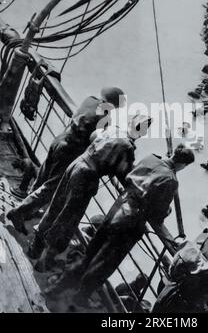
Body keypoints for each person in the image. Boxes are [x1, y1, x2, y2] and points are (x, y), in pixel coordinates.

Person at [45, 145, 195, 305]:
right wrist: (167, 210)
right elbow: (158, 214)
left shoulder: (151, 157)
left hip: (117, 207)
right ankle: (81, 297)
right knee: (104, 265)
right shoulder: (171, 180)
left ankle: (56, 288)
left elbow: (130, 175)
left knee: (89, 254)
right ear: (183, 165)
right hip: (130, 224)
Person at [30, 115, 153, 270]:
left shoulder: (114, 129)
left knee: (56, 206)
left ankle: (34, 249)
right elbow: (127, 175)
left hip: (76, 164)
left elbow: (93, 136)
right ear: (142, 132)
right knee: (68, 219)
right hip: (86, 177)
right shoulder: (127, 147)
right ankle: (44, 262)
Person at [7, 87, 126, 235]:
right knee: (52, 187)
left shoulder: (90, 99)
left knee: (43, 176)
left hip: (60, 140)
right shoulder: (106, 117)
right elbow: (95, 139)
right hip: (70, 151)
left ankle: (29, 208)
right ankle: (19, 212)